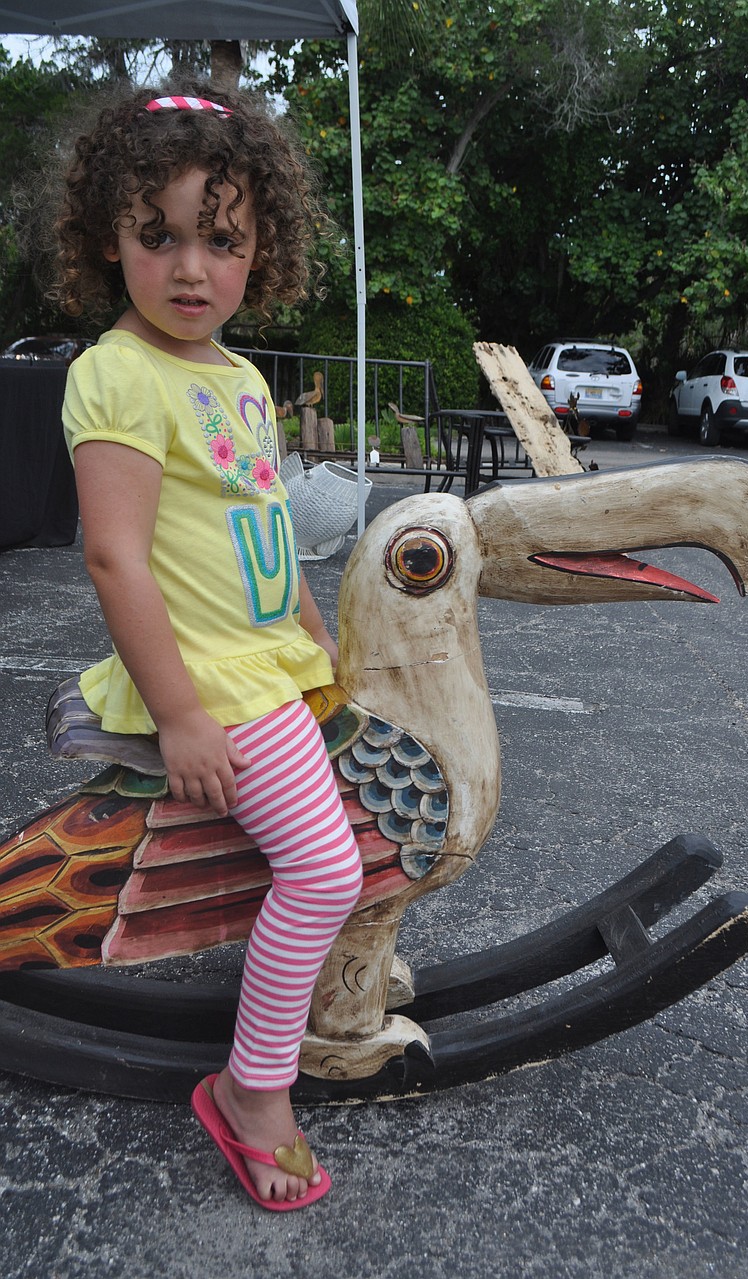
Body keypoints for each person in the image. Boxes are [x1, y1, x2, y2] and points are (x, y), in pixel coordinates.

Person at [54, 82, 364, 1211]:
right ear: (110, 240)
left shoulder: (236, 378)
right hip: (213, 681)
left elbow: (262, 525)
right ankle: (253, 1090)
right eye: (161, 236)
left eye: (220, 240)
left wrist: (314, 628)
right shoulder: (119, 375)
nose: (191, 268)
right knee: (326, 866)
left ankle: (306, 992)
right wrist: (179, 712)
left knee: (352, 833)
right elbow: (117, 558)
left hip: (269, 657)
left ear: (261, 249)